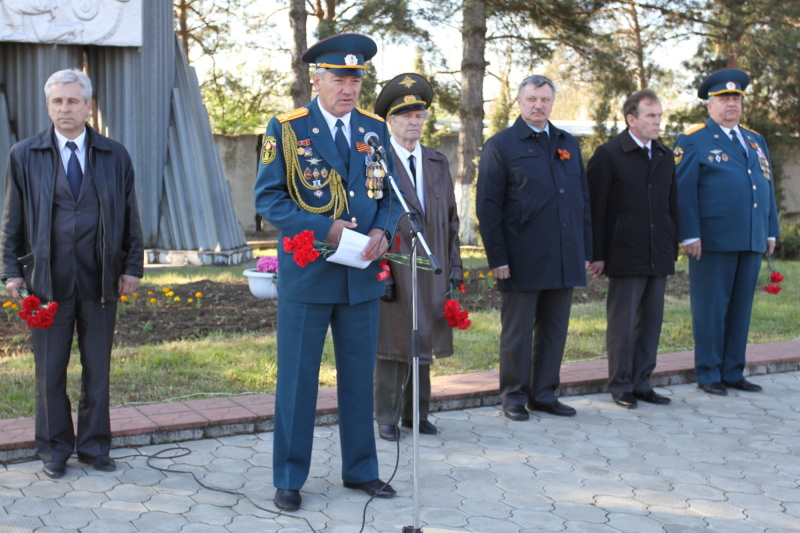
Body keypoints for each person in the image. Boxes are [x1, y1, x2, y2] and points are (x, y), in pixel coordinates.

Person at [253, 33, 401, 512]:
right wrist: (325, 228)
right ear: (316, 79)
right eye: (339, 78)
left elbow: (389, 196)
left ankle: (361, 471)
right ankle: (290, 478)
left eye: (356, 79)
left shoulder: (375, 129)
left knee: (359, 378)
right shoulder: (289, 128)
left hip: (360, 275)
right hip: (310, 275)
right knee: (298, 381)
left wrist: (382, 232)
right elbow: (268, 200)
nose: (349, 88)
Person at [0, 69, 144, 479]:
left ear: (89, 106)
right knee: (50, 373)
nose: (65, 108)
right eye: (57, 101)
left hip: (101, 281)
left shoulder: (116, 155)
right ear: (48, 106)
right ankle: (54, 450)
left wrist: (132, 266)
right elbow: (11, 222)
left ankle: (95, 447)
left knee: (98, 369)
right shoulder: (24, 155)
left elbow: (131, 217)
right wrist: (12, 272)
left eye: (73, 101)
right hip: (45, 284)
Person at [476, 74, 591, 421]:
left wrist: (585, 250)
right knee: (518, 334)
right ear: (519, 102)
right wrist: (497, 257)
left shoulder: (567, 142)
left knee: (554, 331)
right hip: (521, 257)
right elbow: (488, 206)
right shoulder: (501, 145)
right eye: (532, 99)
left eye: (545, 99)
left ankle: (543, 393)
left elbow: (581, 199)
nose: (539, 105)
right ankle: (513, 395)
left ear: (552, 103)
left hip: (564, 255)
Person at [674, 68, 779, 396]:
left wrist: (770, 230)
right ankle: (708, 373)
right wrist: (689, 234)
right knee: (711, 308)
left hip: (750, 236)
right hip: (713, 240)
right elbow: (683, 191)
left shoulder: (754, 139)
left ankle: (734, 370)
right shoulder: (693, 139)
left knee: (739, 308)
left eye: (735, 98)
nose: (731, 104)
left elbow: (766, 187)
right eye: (723, 99)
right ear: (709, 105)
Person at [371, 73, 463, 441]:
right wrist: (382, 274)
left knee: (424, 338)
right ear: (390, 121)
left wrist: (455, 267)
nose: (414, 122)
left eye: (419, 115)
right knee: (393, 343)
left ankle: (417, 413)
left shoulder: (437, 162)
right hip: (396, 267)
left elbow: (452, 219)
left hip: (434, 266)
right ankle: (388, 416)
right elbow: (369, 221)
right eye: (405, 115)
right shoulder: (378, 163)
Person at [587, 89, 678, 409]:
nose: (657, 122)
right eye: (651, 116)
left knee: (651, 322)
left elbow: (671, 205)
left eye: (659, 116)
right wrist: (596, 253)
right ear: (631, 119)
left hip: (659, 252)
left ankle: (642, 381)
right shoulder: (609, 154)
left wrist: (672, 243)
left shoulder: (665, 156)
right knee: (623, 325)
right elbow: (595, 209)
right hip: (624, 251)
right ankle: (621, 383)